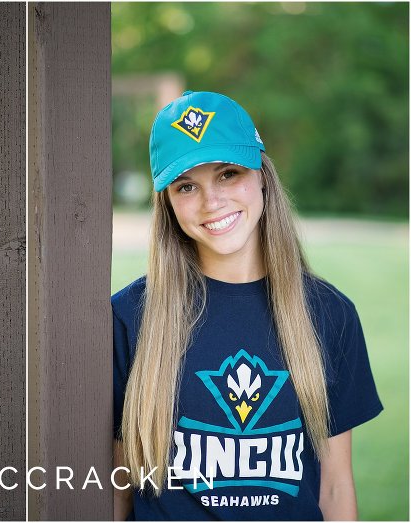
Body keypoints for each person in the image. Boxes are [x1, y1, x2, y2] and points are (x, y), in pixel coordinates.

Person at [112, 91, 382, 521]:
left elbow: (334, 487)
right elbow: (117, 490)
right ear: (167, 204)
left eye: (228, 173)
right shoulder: (130, 317)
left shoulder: (329, 314)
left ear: (262, 176)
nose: (210, 201)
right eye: (186, 186)